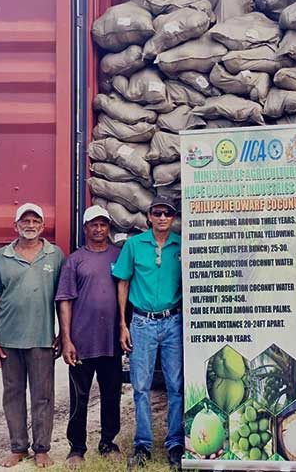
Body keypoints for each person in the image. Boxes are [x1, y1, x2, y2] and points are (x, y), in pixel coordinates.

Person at [0, 203, 66, 468]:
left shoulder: (55, 255)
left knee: (43, 396)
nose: (30, 225)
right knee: (13, 394)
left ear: (42, 226)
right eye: (25, 221)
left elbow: (63, 300)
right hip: (8, 341)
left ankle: (41, 448)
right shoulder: (1, 257)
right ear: (15, 225)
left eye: (35, 221)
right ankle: (18, 447)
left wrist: (63, 333)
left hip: (42, 339)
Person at [112, 195, 184, 470]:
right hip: (142, 323)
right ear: (149, 217)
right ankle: (142, 445)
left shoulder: (181, 245)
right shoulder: (134, 245)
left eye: (167, 213)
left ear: (173, 218)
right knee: (140, 386)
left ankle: (175, 443)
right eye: (158, 213)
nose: (163, 217)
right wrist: (122, 323)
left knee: (175, 385)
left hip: (173, 322)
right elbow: (123, 283)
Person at [55, 205, 123, 468]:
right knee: (79, 397)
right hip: (82, 342)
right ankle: (76, 448)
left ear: (109, 227)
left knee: (111, 394)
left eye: (103, 224)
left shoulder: (118, 255)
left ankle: (108, 442)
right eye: (93, 224)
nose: (98, 229)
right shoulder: (74, 260)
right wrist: (67, 339)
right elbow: (65, 300)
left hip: (111, 341)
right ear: (85, 229)